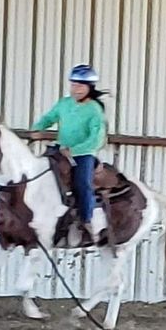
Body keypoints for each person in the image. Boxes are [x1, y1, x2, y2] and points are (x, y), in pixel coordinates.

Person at [31, 64, 107, 246]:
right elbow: (49, 117)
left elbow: (96, 138)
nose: (76, 89)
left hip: (83, 154)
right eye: (73, 85)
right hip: (60, 148)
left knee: (83, 184)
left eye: (80, 86)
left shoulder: (95, 109)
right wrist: (37, 128)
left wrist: (74, 150)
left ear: (90, 88)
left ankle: (86, 220)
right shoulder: (64, 103)